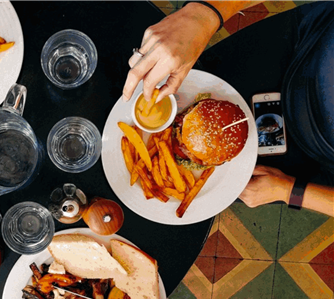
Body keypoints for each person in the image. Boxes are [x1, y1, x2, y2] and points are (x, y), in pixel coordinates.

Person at [122, 0, 334, 217]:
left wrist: (290, 191)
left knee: (229, 189)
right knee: (201, 67)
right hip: (303, 39)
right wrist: (202, 16)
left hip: (313, 158)